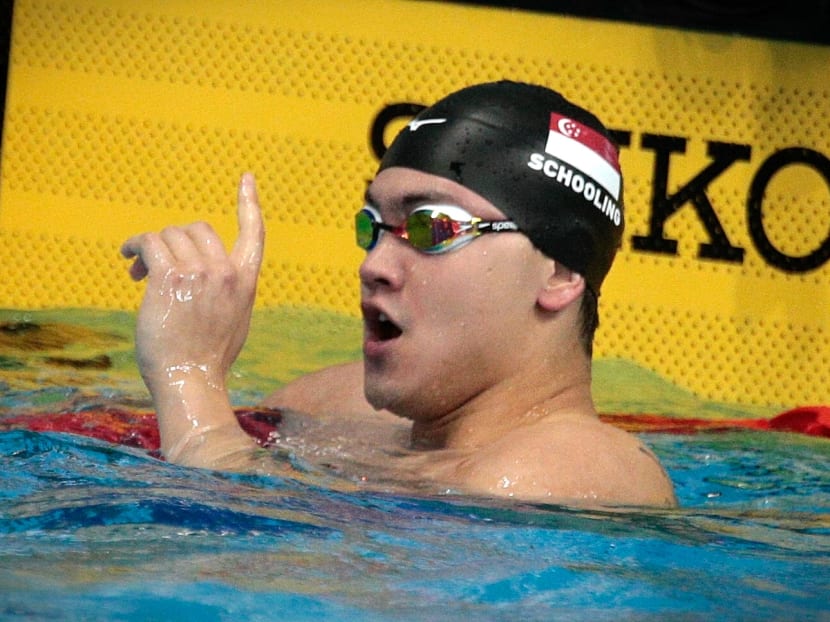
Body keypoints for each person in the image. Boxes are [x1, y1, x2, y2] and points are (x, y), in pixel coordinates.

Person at [121, 80, 677, 508]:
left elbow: (271, 579)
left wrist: (189, 377)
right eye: (372, 227)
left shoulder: (575, 471)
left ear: (558, 273)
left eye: (431, 229)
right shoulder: (331, 408)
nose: (374, 265)